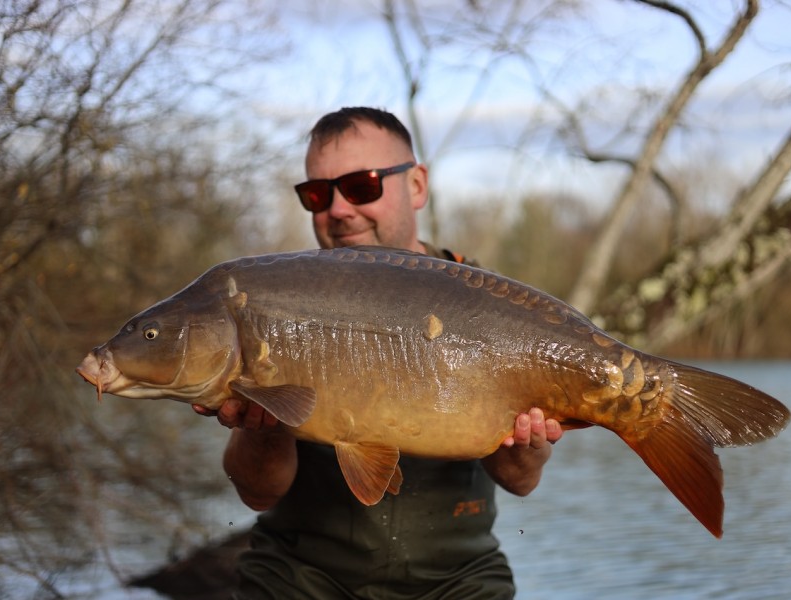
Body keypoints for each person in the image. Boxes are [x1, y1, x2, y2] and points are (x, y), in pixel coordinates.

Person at [194, 107, 563, 599]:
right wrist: (261, 427)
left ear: (416, 185)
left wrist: (527, 447)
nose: (339, 209)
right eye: (318, 195)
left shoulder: (494, 307)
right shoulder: (273, 302)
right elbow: (258, 493)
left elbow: (520, 483)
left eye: (362, 186)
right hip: (300, 579)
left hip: (456, 580)